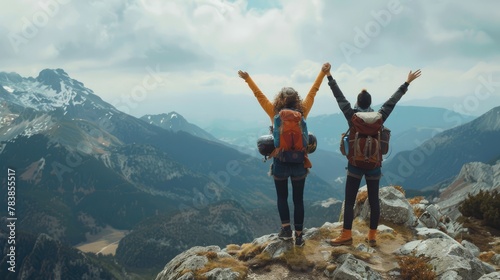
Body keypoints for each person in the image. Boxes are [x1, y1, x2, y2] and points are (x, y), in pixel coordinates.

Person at [324, 62, 421, 247]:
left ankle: (346, 235)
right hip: (374, 166)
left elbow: (339, 97)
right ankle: (372, 236)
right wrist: (406, 83)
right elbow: (393, 100)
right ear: (370, 103)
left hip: (354, 164)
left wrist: (329, 76)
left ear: (358, 103)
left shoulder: (352, 117)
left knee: (350, 199)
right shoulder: (380, 116)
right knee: (374, 200)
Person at [238, 63, 330, 246]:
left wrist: (248, 79)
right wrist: (322, 72)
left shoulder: (274, 112)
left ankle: (286, 230)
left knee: (282, 197)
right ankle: (299, 236)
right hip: (299, 163)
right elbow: (314, 91)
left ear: (280, 99)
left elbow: (259, 95)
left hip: (280, 161)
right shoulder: (302, 110)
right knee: (298, 200)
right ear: (297, 99)